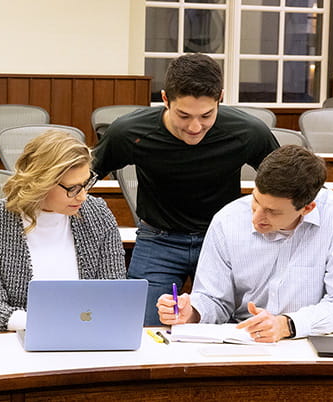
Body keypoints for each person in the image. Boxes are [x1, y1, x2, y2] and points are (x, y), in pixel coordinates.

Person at [92, 53, 280, 325]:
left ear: (220, 98)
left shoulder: (248, 132)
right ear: (165, 99)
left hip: (221, 241)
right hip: (158, 240)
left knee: (235, 327)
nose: (195, 127)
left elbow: (289, 180)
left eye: (206, 115)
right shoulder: (130, 131)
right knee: (139, 327)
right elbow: (86, 175)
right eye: (184, 115)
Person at [157, 145, 333, 342]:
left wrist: (285, 325)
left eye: (273, 212)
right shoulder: (227, 219)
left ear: (307, 208)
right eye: (256, 201)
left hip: (307, 339)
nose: (257, 218)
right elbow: (215, 299)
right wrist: (192, 312)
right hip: (242, 338)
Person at [0, 130, 126, 332]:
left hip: (89, 335)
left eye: (86, 184)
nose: (83, 196)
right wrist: (44, 325)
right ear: (41, 183)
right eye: (73, 188)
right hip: (19, 343)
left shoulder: (98, 215)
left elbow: (114, 291)